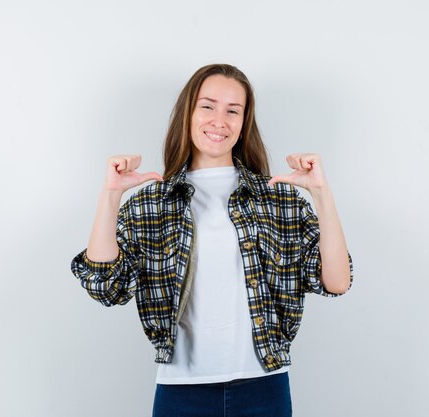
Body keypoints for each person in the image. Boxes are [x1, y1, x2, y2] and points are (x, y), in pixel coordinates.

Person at [70, 63, 354, 417]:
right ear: (188, 113)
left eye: (233, 110)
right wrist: (110, 196)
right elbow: (105, 287)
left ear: (244, 122)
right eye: (208, 106)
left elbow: (337, 281)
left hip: (264, 388)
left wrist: (321, 194)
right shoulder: (153, 203)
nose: (219, 120)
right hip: (181, 393)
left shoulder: (278, 199)